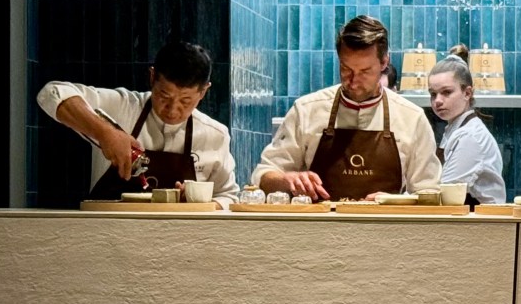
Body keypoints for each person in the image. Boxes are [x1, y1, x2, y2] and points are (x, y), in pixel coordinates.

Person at [251, 15, 442, 201]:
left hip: (386, 231)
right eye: (346, 69)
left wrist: (395, 202)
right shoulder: (306, 110)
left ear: (384, 62)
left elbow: (429, 194)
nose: (353, 81)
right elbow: (263, 177)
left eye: (365, 71)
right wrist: (287, 180)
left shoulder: (412, 118)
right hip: (318, 230)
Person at [36, 40, 240, 208]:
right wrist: (105, 133)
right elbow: (52, 93)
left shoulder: (215, 135)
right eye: (164, 95)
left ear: (204, 91)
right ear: (152, 77)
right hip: (107, 238)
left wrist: (200, 203)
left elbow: (229, 197)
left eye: (185, 101)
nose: (172, 109)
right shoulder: (123, 107)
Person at [427, 45, 507, 205]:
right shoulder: (455, 129)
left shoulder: (470, 137)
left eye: (446, 92)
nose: (438, 101)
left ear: (467, 93)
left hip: (481, 224)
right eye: (433, 94)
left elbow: (444, 193)